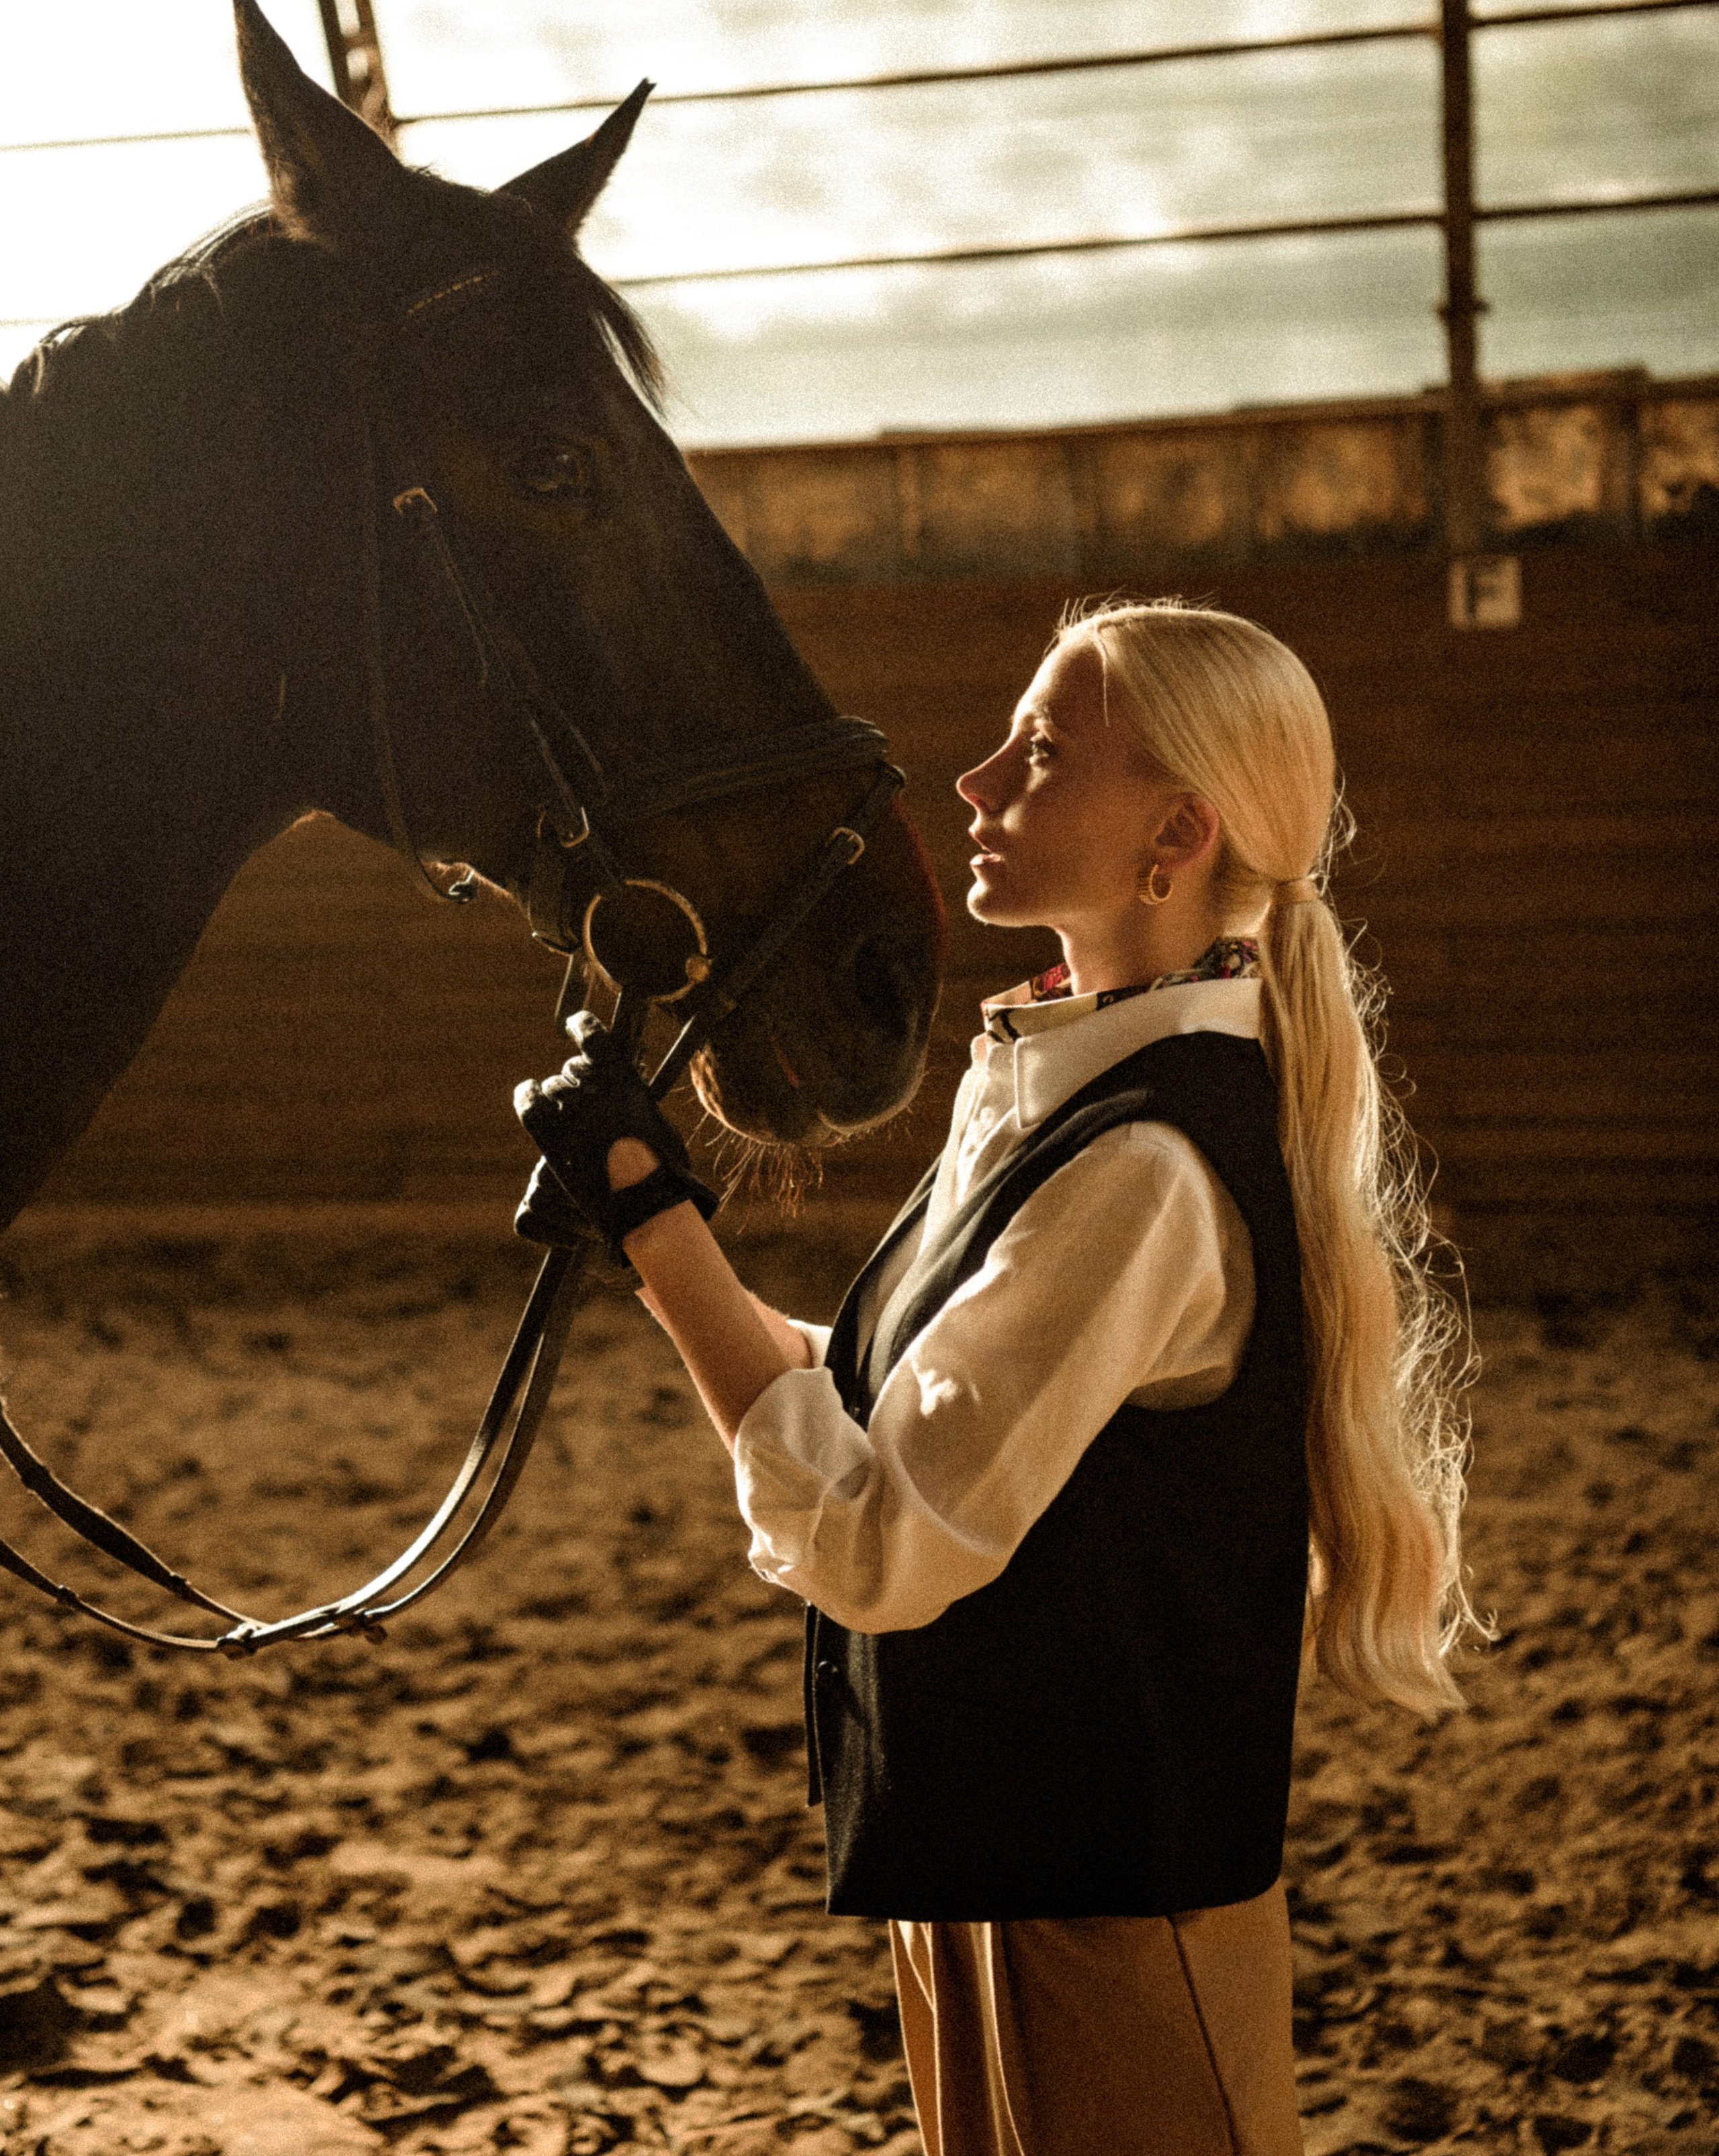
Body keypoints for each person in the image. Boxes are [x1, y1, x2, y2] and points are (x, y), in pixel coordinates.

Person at [514, 597, 1479, 2156]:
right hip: (996, 1869)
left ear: (1172, 833)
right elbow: (873, 1398)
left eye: (1037, 754)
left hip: (1110, 1902)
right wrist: (650, 1234)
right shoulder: (1053, 1093)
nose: (969, 784)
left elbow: (880, 1541)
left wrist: (655, 1216)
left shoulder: (1146, 1164)